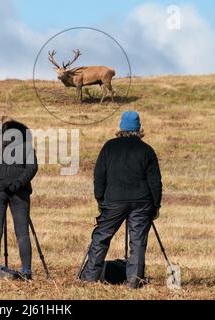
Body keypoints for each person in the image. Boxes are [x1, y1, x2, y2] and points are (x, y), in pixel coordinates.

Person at [81, 111, 162, 289]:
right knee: (138, 242)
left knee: (101, 237)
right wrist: (155, 206)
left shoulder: (109, 147)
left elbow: (99, 176)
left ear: (121, 127)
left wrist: (100, 199)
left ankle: (90, 278)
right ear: (138, 128)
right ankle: (134, 282)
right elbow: (155, 181)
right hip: (142, 202)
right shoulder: (146, 150)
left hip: (114, 201)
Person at [0, 117, 38, 280]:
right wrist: (18, 183)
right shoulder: (26, 145)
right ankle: (26, 272)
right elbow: (32, 168)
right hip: (20, 192)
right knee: (22, 233)